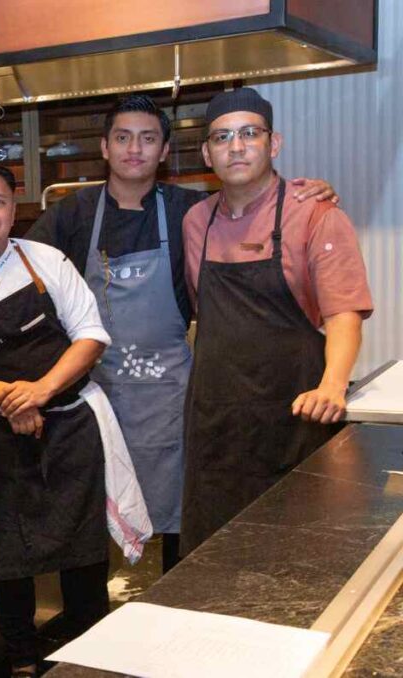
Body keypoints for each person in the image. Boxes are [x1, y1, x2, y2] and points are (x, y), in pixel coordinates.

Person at [22, 95, 339, 571]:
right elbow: (16, 261)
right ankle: (86, 620)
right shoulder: (74, 214)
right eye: (123, 138)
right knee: (92, 507)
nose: (135, 149)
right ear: (104, 148)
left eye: (148, 138)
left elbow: (250, 201)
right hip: (98, 392)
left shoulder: (190, 211)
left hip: (172, 394)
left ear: (165, 151)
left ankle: (174, 602)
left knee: (181, 510)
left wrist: (312, 192)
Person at [0, 161, 129, 676]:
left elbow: (90, 335)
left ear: (14, 210)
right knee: (11, 549)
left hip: (71, 425)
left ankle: (91, 647)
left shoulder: (44, 259)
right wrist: (13, 399)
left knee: (83, 550)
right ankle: (22, 654)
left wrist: (41, 393)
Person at [180, 87, 373, 556]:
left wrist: (332, 385)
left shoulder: (315, 214)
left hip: (294, 418)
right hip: (218, 426)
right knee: (214, 562)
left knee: (294, 559)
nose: (237, 146)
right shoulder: (195, 221)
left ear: (275, 143)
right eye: (223, 137)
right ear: (208, 153)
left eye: (250, 133)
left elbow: (343, 313)